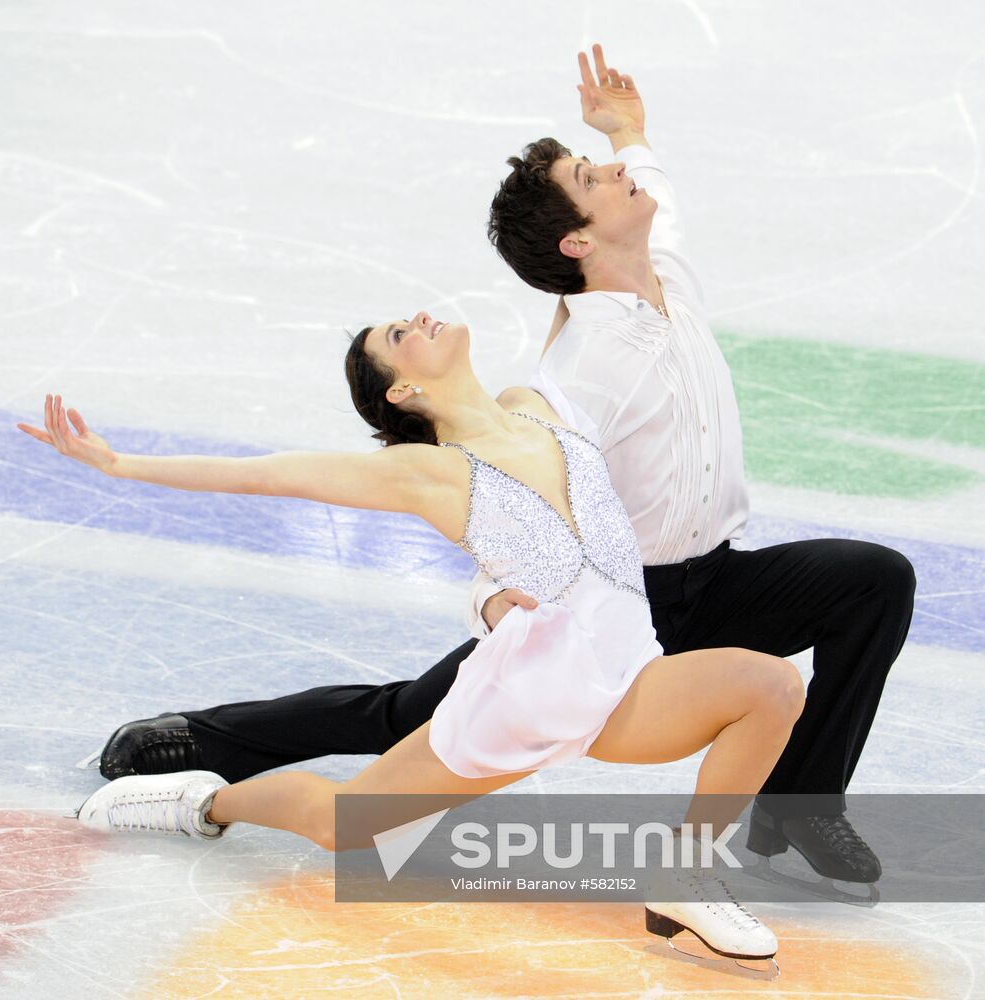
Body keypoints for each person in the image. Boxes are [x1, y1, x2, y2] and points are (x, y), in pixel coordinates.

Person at [99, 45, 915, 889]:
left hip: (720, 579)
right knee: (408, 718)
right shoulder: (582, 368)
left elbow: (654, 204)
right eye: (592, 178)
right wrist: (491, 597)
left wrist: (629, 133)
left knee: (871, 580)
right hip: (609, 598)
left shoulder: (663, 266)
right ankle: (207, 743)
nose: (616, 176)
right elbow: (503, 482)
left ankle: (802, 807)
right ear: (578, 238)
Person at [19, 303, 802, 965]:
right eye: (400, 335)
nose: (419, 319)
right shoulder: (432, 474)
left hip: (627, 676)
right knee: (345, 824)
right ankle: (203, 803)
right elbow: (272, 473)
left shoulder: (537, 404)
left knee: (770, 687)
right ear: (405, 388)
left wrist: (615, 151)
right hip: (529, 698)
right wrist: (119, 465)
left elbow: (590, 301)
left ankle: (685, 872)